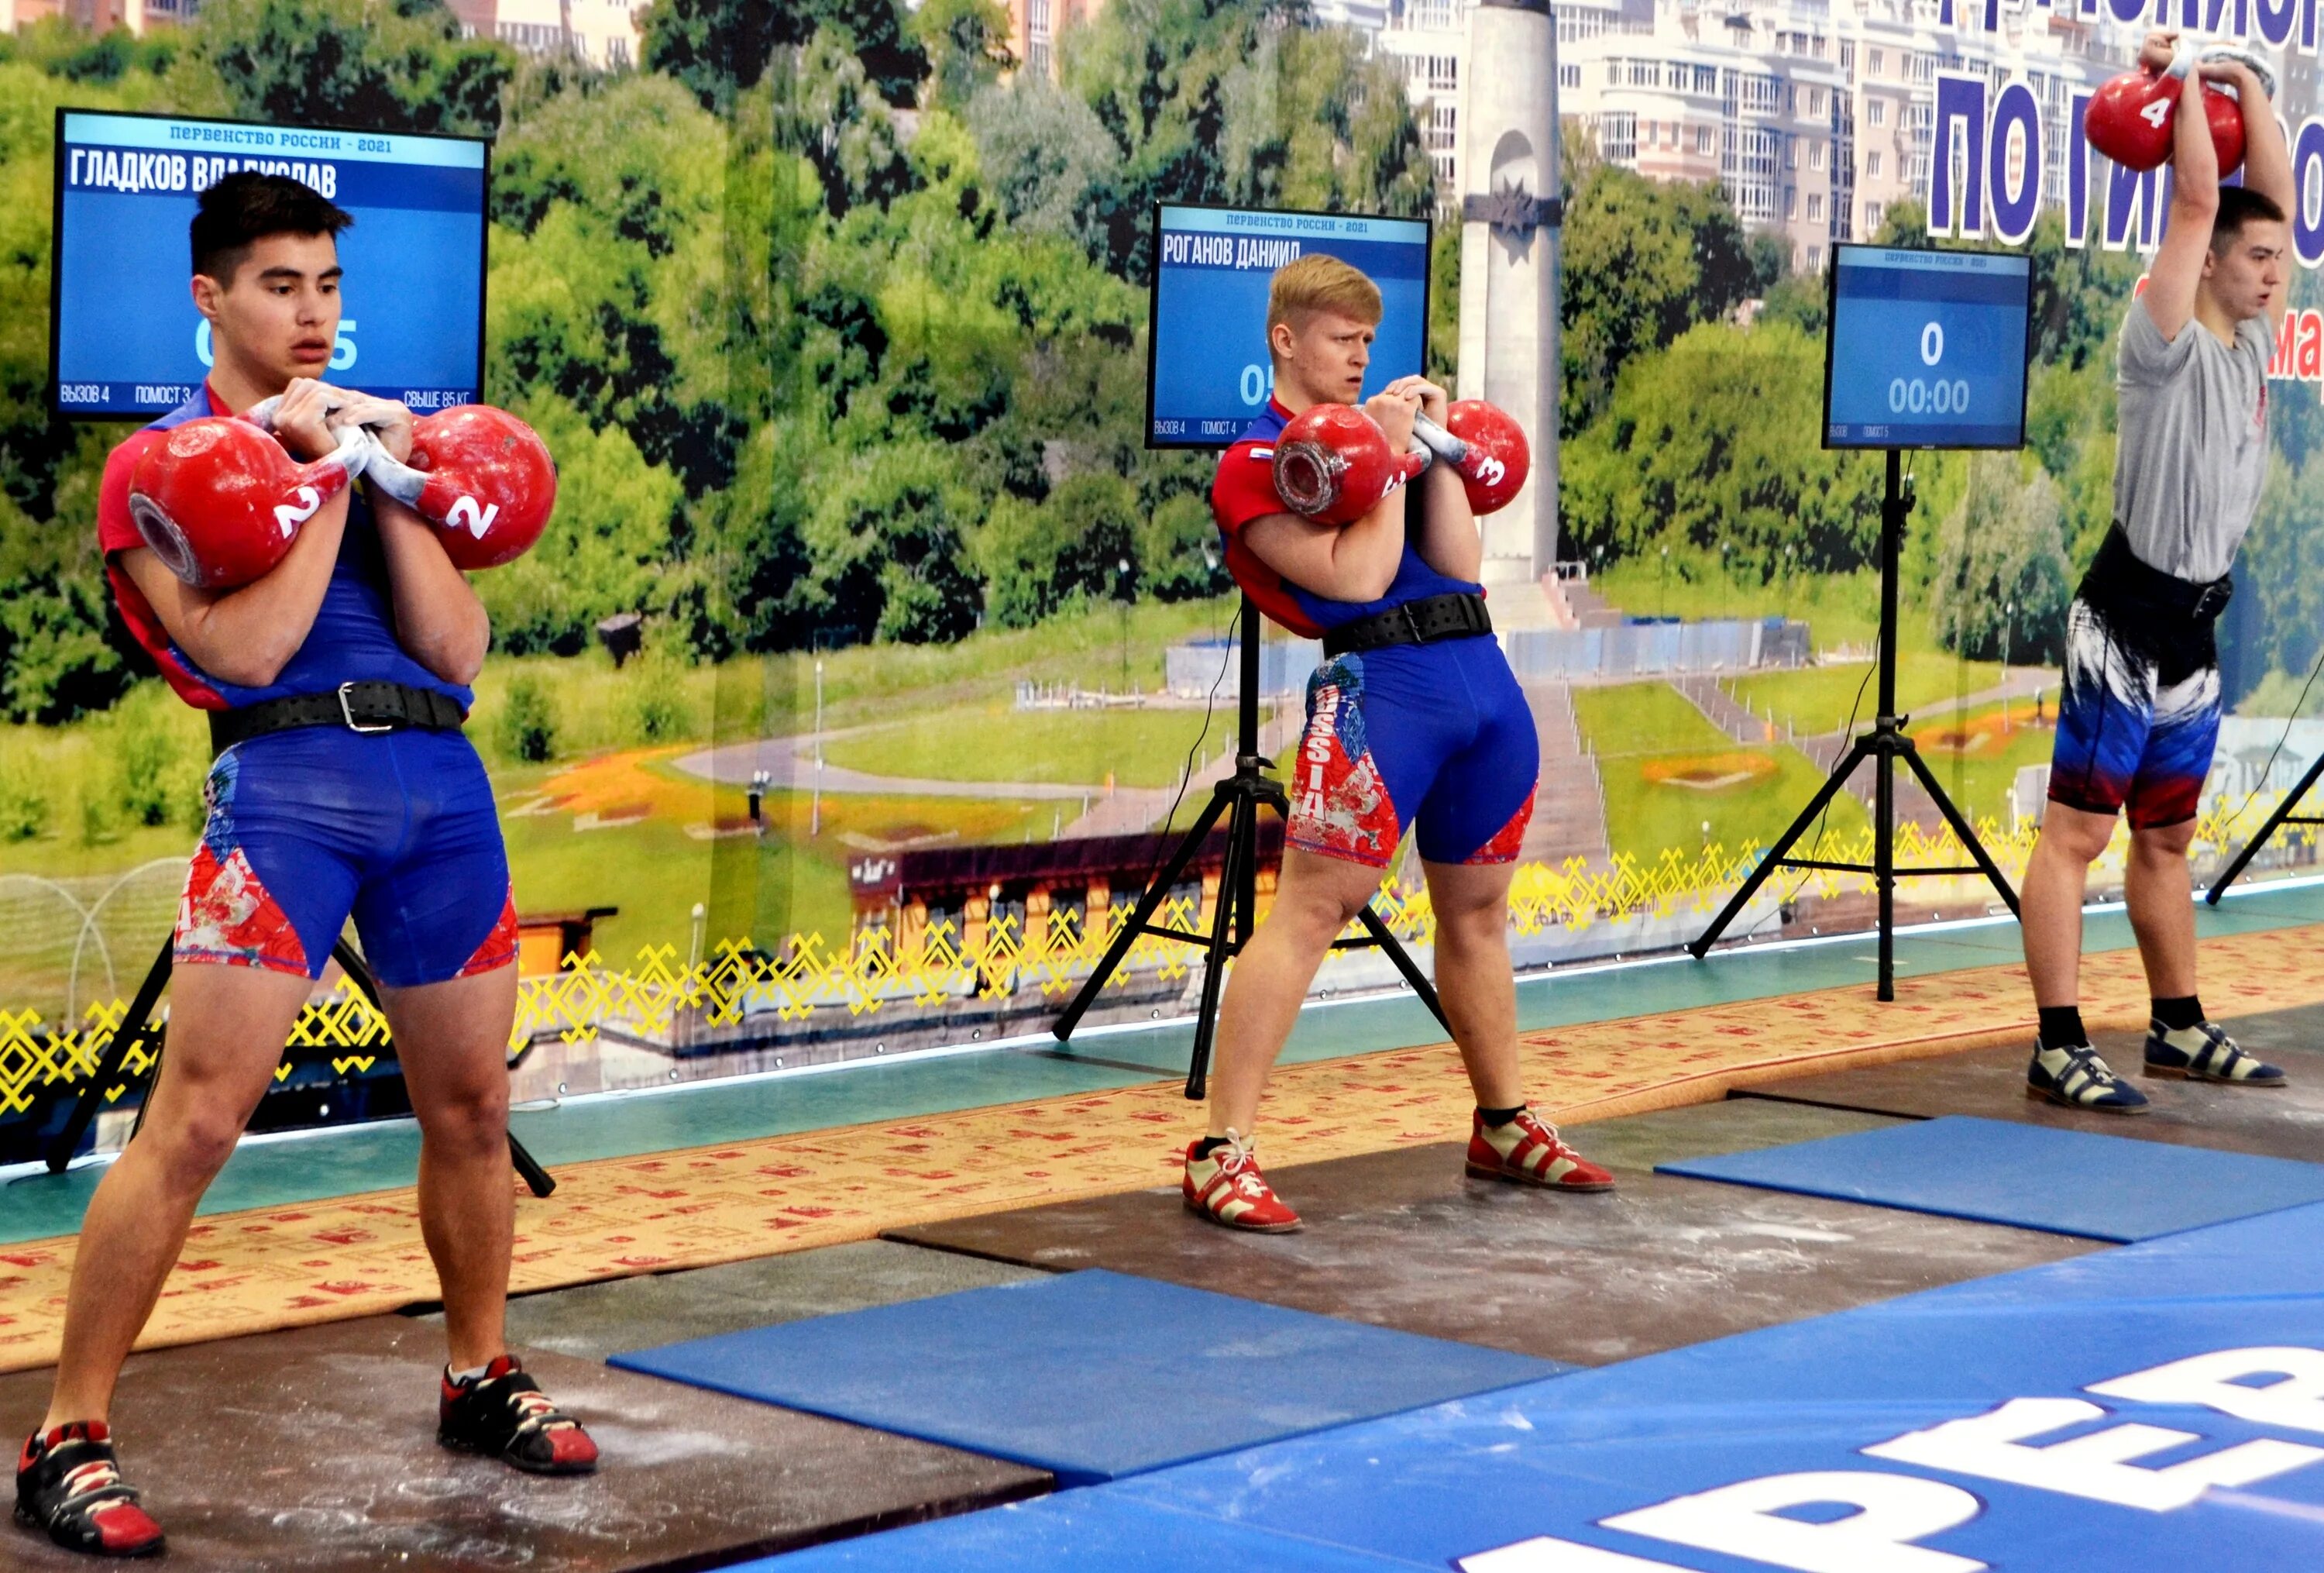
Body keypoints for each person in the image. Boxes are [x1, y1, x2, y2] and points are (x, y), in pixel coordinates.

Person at [15, 174, 594, 1561]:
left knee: (468, 1106)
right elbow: (248, 654)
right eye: (280, 285)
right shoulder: (155, 467)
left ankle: (476, 1372)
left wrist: (382, 471)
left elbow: (457, 652)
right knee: (199, 1121)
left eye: (328, 286)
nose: (312, 314)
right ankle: (67, 1436)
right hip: (285, 796)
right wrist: (319, 470)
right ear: (211, 296)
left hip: (438, 790)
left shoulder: (384, 444)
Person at [1183, 253, 1612, 1232]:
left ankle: (1502, 1123)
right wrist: (1381, 460)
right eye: (1341, 338)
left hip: (1479, 679)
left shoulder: (1390, 438)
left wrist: (1439, 444)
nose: (1358, 357)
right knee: (1309, 911)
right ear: (1286, 340)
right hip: (1383, 691)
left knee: (1480, 914)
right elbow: (1360, 578)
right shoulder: (1255, 462)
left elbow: (1460, 563)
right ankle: (1219, 1151)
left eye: (1369, 341)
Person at [2020, 33, 2292, 1113]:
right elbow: (2196, 204)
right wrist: (2184, 81)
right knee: (2078, 833)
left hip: (2195, 628)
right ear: (2213, 264)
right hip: (2124, 617)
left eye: (2281, 260)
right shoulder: (2165, 336)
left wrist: (2247, 84)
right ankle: (2055, 1043)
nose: (2275, 272)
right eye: (2257, 259)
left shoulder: (2252, 345)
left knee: (2167, 835)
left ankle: (2175, 1023)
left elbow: (2261, 194)